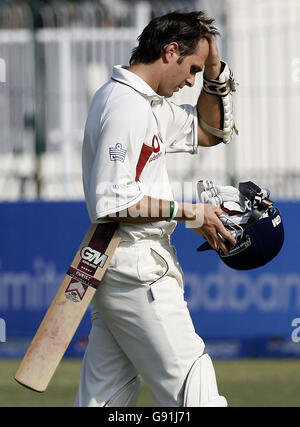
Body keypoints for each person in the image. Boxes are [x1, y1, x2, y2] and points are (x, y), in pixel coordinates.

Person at [75, 11, 237, 407]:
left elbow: (209, 130)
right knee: (196, 398)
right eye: (193, 69)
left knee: (104, 403)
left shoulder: (147, 104)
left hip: (121, 270)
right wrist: (191, 213)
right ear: (170, 51)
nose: (191, 81)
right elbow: (113, 201)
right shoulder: (125, 106)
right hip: (138, 272)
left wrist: (216, 69)